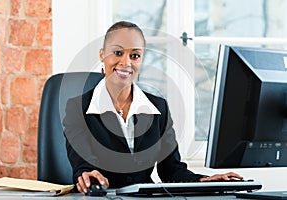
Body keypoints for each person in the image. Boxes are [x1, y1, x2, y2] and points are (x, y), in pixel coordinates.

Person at [63, 21, 243, 194]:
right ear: (102, 54)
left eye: (134, 55)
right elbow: (83, 165)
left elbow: (171, 171)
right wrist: (88, 177)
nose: (126, 63)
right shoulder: (77, 108)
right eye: (118, 52)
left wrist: (204, 181)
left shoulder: (158, 108)